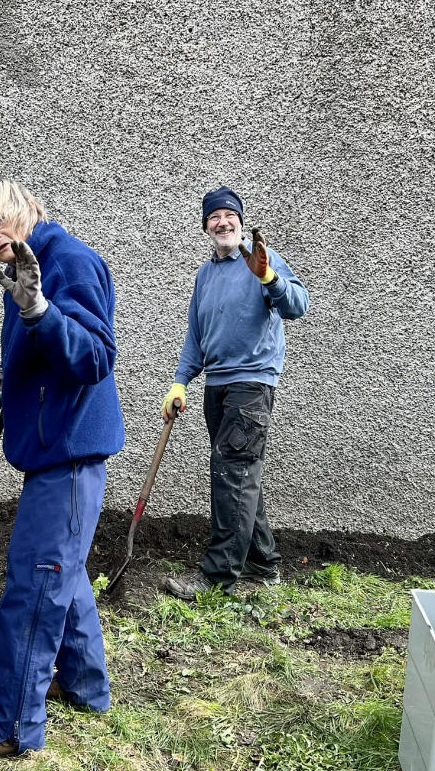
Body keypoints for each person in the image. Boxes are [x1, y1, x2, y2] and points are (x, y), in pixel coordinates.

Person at [0, 176, 124, 758]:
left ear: (27, 210)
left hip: (71, 453)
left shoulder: (69, 261)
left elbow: (94, 357)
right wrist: (12, 381)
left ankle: (10, 728)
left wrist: (38, 307)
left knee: (35, 585)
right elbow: (48, 351)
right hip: (56, 445)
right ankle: (84, 687)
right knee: (65, 574)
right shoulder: (26, 267)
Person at [161, 186, 309, 601]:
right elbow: (196, 334)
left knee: (232, 476)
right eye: (214, 217)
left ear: (241, 222)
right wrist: (180, 380)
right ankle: (263, 563)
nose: (223, 222)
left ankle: (219, 576)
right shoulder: (205, 275)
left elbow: (299, 305)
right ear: (205, 226)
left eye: (230, 215)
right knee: (242, 474)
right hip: (217, 385)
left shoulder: (260, 258)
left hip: (251, 384)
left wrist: (269, 277)